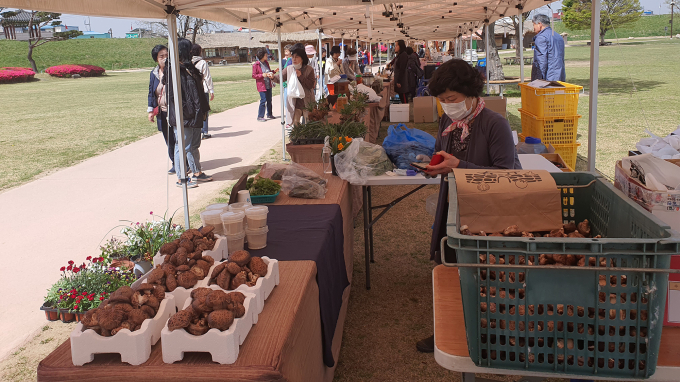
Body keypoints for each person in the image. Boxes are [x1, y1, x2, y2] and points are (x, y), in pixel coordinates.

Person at [415, 58, 521, 353]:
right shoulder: (448, 121)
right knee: (449, 268)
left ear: (473, 94)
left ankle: (494, 334)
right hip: (455, 206)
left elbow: (507, 175)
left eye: (452, 99)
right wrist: (437, 166)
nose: (447, 106)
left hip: (489, 214)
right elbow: (447, 157)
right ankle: (449, 331)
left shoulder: (494, 124)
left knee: (487, 277)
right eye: (442, 100)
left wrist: (457, 166)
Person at [165, 38, 212, 188]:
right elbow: (175, 96)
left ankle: (197, 172)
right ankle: (181, 178)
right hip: (184, 114)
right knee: (182, 145)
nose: (192, 51)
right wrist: (189, 111)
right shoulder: (173, 70)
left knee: (193, 145)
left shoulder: (189, 67)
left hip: (195, 113)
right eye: (189, 49)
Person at [147, 44, 175, 175]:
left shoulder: (174, 70)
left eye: (167, 55)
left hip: (174, 110)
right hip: (162, 112)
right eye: (161, 56)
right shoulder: (154, 73)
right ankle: (175, 162)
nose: (164, 58)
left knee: (177, 137)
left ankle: (184, 163)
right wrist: (151, 110)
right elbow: (151, 92)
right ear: (156, 59)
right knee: (168, 138)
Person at [273, 47, 316, 125]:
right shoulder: (289, 69)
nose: (294, 59)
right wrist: (272, 77)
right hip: (295, 103)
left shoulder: (309, 69)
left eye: (297, 57)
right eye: (293, 57)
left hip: (307, 102)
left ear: (302, 58)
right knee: (296, 125)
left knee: (309, 125)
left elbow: (310, 85)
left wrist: (301, 76)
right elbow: (280, 78)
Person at [531, 13, 566, 82]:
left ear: (539, 24)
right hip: (559, 74)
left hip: (548, 77)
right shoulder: (558, 36)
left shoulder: (541, 37)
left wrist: (539, 79)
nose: (533, 28)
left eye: (534, 25)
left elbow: (541, 61)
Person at [191, 44, 215, 140]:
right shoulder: (202, 62)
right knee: (204, 110)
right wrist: (211, 90)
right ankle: (204, 131)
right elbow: (207, 77)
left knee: (195, 111)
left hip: (192, 90)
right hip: (203, 89)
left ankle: (196, 131)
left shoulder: (188, 62)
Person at [252, 48, 276, 122]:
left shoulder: (266, 63)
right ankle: (260, 116)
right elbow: (254, 75)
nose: (267, 56)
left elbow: (268, 71)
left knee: (269, 99)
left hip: (268, 84)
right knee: (263, 100)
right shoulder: (256, 65)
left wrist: (274, 71)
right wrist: (262, 75)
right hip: (261, 85)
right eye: (266, 55)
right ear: (262, 55)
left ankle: (269, 114)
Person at [392, 40, 411, 104]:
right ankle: (405, 110)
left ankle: (406, 111)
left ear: (401, 46)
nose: (395, 47)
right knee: (401, 96)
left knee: (404, 97)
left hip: (402, 81)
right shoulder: (399, 55)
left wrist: (399, 81)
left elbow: (402, 69)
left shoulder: (403, 55)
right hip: (399, 79)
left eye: (397, 45)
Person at [281, 44, 293, 115]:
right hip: (286, 83)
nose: (285, 53)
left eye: (287, 51)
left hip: (289, 83)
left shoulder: (291, 60)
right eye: (285, 51)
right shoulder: (288, 59)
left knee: (288, 103)